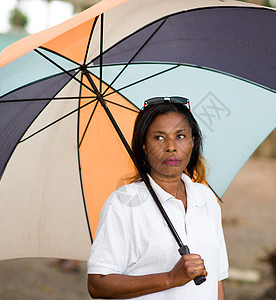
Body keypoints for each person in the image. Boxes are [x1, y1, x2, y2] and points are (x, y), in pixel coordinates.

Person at [87, 97, 228, 299]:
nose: (171, 146)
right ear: (144, 146)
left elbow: (216, 278)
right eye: (159, 138)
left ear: (193, 141)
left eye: (180, 136)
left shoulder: (205, 198)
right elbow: (97, 284)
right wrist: (170, 278)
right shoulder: (123, 204)